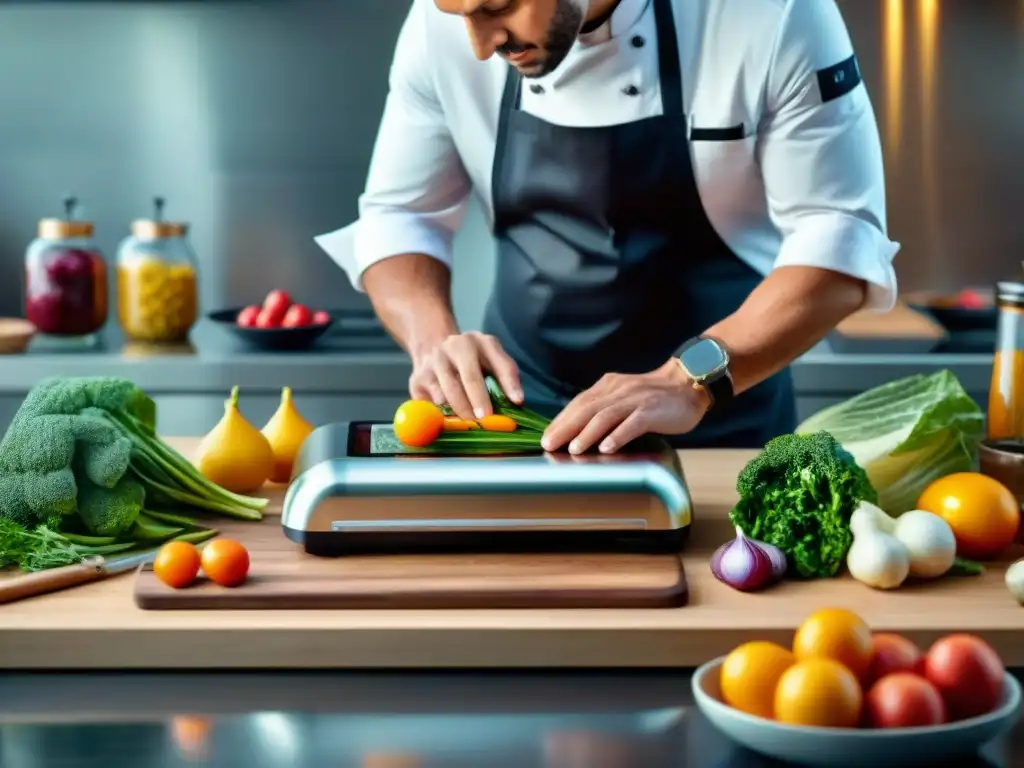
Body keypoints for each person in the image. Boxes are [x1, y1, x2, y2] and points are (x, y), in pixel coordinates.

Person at [315, 0, 899, 454]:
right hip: (522, 418)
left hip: (724, 414)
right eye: (459, 14)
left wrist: (686, 382)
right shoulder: (440, 27)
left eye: (498, 7)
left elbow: (839, 238)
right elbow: (400, 214)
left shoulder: (771, 15)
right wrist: (433, 340)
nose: (479, 44)